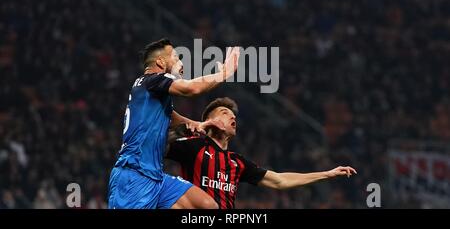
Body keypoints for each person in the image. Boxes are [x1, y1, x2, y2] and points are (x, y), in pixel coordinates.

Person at [108, 39, 240, 209]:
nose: (180, 63)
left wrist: (196, 124)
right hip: (135, 176)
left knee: (207, 205)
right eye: (176, 58)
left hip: (156, 177)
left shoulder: (151, 92)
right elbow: (191, 89)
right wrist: (224, 73)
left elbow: (169, 116)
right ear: (160, 62)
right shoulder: (152, 79)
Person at [166, 97, 357, 209]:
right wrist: (180, 129)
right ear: (209, 120)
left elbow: (279, 180)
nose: (232, 116)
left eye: (233, 115)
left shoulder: (237, 162)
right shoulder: (194, 146)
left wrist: (327, 174)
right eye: (224, 112)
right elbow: (151, 147)